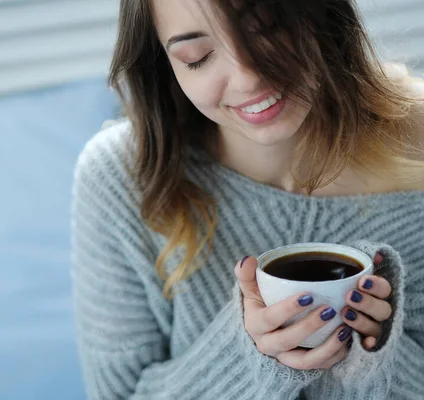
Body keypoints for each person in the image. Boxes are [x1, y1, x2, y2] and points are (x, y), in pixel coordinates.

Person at [70, 0, 424, 399]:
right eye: (197, 57)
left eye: (268, 29)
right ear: (164, 63)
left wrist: (373, 362)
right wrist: (247, 356)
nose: (247, 78)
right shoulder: (121, 178)